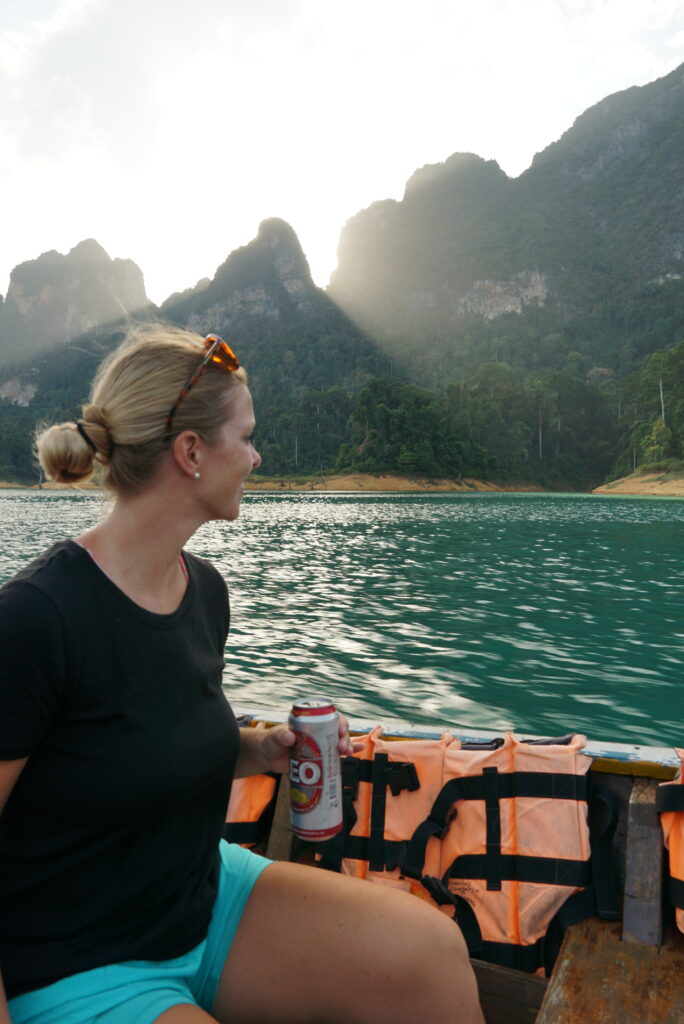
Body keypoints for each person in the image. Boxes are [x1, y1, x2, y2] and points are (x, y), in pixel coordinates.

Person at [0, 324, 483, 1024]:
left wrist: (260, 751)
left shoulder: (204, 590)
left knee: (430, 952)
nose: (256, 457)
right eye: (248, 437)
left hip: (201, 898)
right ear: (192, 452)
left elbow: (137, 747)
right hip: (77, 960)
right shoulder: (36, 619)